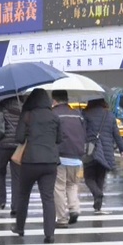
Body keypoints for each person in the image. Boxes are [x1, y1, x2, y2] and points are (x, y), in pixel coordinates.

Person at [12, 88, 61, 244]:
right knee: (48, 198)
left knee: (23, 195)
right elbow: (59, 139)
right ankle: (49, 233)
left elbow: (19, 138)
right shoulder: (54, 117)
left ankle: (20, 227)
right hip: (50, 162)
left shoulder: (27, 115)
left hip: (30, 161)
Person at [82, 98, 123, 213]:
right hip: (106, 151)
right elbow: (116, 134)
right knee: (100, 177)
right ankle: (98, 206)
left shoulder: (86, 114)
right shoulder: (109, 115)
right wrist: (122, 149)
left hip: (91, 149)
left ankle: (97, 193)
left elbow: (82, 132)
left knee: (89, 177)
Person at [51, 90, 86, 227]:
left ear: (54, 100)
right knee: (72, 184)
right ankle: (74, 209)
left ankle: (61, 219)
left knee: (59, 187)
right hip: (76, 157)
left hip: (60, 156)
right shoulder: (77, 114)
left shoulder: (53, 114)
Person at [0, 95, 22, 214]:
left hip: (3, 145)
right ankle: (15, 206)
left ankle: (1, 201)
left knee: (1, 173)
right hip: (17, 146)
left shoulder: (1, 105)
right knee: (16, 176)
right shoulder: (22, 106)